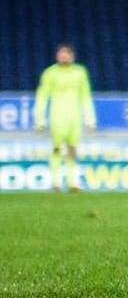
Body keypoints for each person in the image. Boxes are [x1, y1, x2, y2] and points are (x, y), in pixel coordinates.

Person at [35, 43, 95, 192]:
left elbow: (86, 96)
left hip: (75, 117)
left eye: (66, 53)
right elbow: (42, 96)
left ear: (72, 55)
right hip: (57, 116)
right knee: (57, 148)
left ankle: (72, 182)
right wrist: (39, 118)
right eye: (61, 54)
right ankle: (55, 182)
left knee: (72, 149)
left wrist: (90, 118)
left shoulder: (80, 72)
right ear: (57, 56)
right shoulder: (50, 73)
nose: (63, 56)